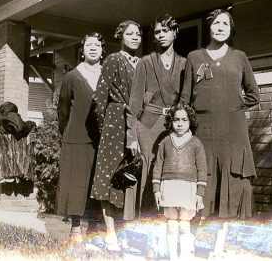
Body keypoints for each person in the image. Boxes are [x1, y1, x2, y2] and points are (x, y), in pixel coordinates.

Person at [181, 9, 260, 219]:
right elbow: (184, 98)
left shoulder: (239, 57)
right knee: (203, 182)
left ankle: (220, 244)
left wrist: (232, 107)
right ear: (209, 27)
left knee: (232, 183)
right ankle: (197, 235)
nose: (220, 27)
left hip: (233, 131)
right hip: (203, 131)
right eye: (216, 23)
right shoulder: (194, 57)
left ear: (231, 29)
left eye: (225, 24)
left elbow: (254, 95)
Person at [90, 20, 142, 251]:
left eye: (138, 34)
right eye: (130, 33)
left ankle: (128, 233)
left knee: (131, 177)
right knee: (109, 177)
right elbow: (99, 98)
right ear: (121, 36)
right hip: (114, 122)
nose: (135, 37)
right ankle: (110, 234)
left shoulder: (142, 63)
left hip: (137, 123)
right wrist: (105, 128)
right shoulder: (113, 59)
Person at [127, 14, 186, 215]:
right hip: (148, 125)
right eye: (157, 31)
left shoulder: (184, 63)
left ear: (175, 33)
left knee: (171, 171)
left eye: (166, 30)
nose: (161, 35)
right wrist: (132, 135)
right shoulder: (145, 62)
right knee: (148, 170)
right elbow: (134, 102)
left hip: (173, 125)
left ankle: (167, 219)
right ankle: (142, 219)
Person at [56, 32, 105, 239]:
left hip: (102, 139)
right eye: (89, 45)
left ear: (102, 50)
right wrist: (67, 131)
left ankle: (93, 227)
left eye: (97, 45)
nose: (93, 48)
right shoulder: (72, 76)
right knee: (75, 183)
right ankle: (76, 227)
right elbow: (63, 108)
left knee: (97, 183)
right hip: (76, 137)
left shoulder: (107, 75)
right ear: (82, 50)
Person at [152, 102, 207, 260]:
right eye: (176, 120)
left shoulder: (196, 143)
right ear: (171, 121)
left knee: (184, 226)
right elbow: (158, 166)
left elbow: (202, 169)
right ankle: (172, 257)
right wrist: (156, 190)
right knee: (171, 225)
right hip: (168, 188)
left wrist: (200, 194)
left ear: (190, 121)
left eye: (184, 120)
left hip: (187, 190)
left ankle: (183, 257)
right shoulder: (165, 142)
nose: (180, 123)